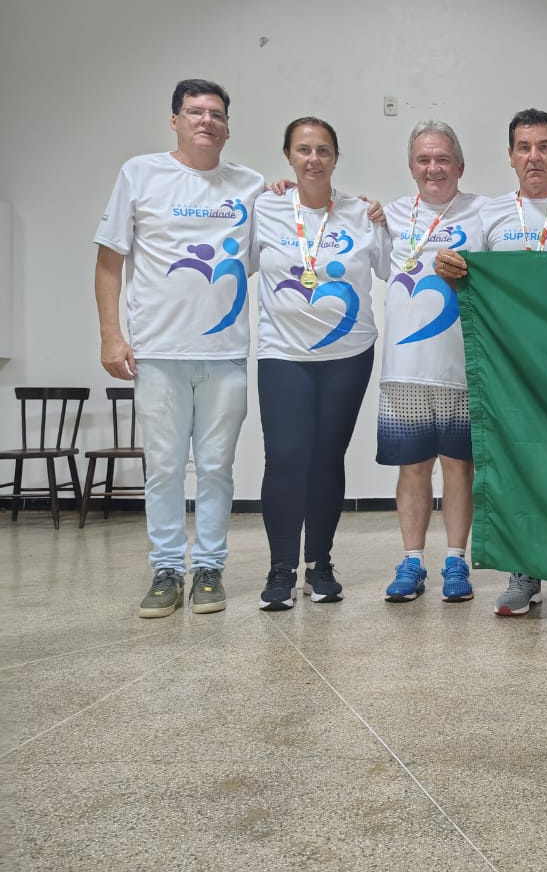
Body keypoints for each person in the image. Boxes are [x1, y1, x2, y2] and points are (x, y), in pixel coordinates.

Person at [434, 107, 547, 617]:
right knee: (516, 460)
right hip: (510, 367)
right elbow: (467, 276)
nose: (533, 156)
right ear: (511, 157)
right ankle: (523, 572)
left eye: (543, 147)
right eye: (523, 147)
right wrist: (447, 267)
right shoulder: (489, 213)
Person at [95, 79, 264, 619]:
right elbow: (109, 261)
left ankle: (209, 569)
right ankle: (166, 570)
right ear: (175, 120)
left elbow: (279, 245)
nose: (206, 121)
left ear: (228, 127)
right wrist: (111, 334)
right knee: (165, 469)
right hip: (159, 352)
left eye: (216, 114)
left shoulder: (251, 185)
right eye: (195, 112)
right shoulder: (139, 173)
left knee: (216, 468)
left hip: (225, 354)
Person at [252, 117, 387, 610]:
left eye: (323, 150)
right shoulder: (264, 207)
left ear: (336, 157)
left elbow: (394, 268)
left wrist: (383, 218)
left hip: (348, 355)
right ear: (288, 156)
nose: (314, 159)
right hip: (283, 353)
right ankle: (281, 568)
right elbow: (235, 264)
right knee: (285, 456)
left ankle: (320, 564)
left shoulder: (361, 213)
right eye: (304, 150)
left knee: (328, 457)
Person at [377, 122, 484, 605]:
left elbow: (531, 210)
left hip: (462, 367)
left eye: (442, 159)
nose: (433, 168)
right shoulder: (389, 215)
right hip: (404, 368)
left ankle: (457, 560)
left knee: (459, 466)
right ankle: (412, 561)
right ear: (411, 167)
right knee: (413, 467)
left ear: (459, 165)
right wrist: (281, 187)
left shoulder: (484, 212)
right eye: (424, 160)